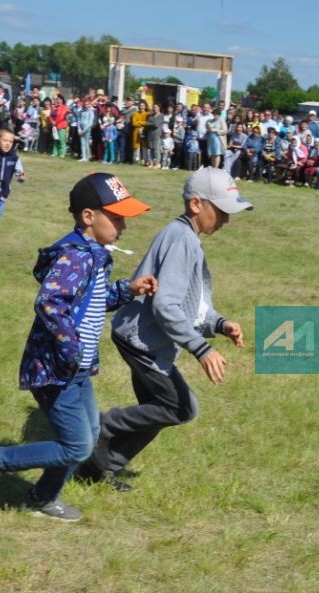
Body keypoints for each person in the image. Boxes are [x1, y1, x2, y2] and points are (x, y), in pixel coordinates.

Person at [0, 173, 157, 521]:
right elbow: (51, 303)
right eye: (116, 217)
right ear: (88, 216)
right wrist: (71, 349)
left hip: (76, 366)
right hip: (56, 367)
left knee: (90, 434)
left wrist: (128, 289)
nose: (123, 226)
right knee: (78, 445)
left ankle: (42, 497)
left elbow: (93, 300)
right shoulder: (77, 256)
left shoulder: (95, 255)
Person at [78, 167, 252, 491]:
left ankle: (96, 468)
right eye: (223, 211)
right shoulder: (182, 239)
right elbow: (165, 306)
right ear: (196, 204)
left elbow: (189, 304)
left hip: (143, 336)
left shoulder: (186, 237)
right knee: (180, 407)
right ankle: (98, 428)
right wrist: (201, 348)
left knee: (158, 411)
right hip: (140, 339)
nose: (227, 220)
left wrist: (220, 324)